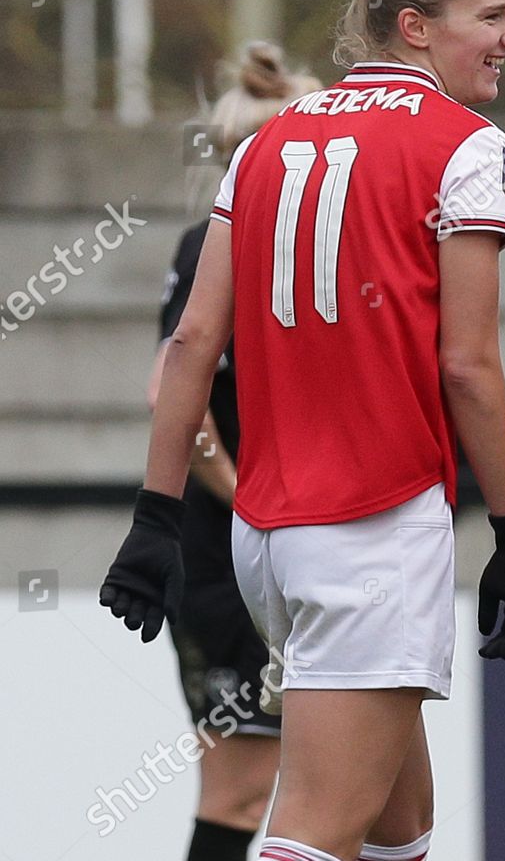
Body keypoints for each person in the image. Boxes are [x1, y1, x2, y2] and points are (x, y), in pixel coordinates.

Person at [99, 0, 505, 861]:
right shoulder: (468, 147)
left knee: (400, 824)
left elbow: (190, 345)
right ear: (417, 27)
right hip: (370, 529)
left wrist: (156, 516)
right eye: (495, 15)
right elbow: (467, 366)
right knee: (312, 829)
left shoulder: (266, 141)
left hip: (270, 536)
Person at [150, 42, 319, 861]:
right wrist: (255, 499)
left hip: (299, 548)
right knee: (242, 788)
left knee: (349, 785)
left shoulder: (306, 252)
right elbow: (180, 407)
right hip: (229, 559)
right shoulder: (208, 250)